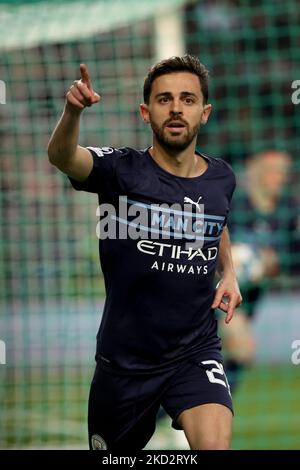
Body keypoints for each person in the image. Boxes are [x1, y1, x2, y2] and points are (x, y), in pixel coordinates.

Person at [47, 54, 242, 450]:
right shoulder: (120, 171)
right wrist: (72, 113)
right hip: (124, 366)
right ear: (145, 112)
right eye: (163, 99)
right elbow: (63, 157)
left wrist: (230, 271)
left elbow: (215, 220)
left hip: (195, 351)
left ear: (204, 113)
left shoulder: (222, 176)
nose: (175, 108)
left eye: (187, 100)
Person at [219, 149, 298, 392]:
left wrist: (273, 262)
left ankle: (176, 421)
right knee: (241, 351)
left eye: (283, 172)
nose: (278, 177)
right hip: (214, 294)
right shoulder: (233, 206)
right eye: (272, 171)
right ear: (255, 170)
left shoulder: (288, 212)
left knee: (222, 361)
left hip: (249, 300)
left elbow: (293, 259)